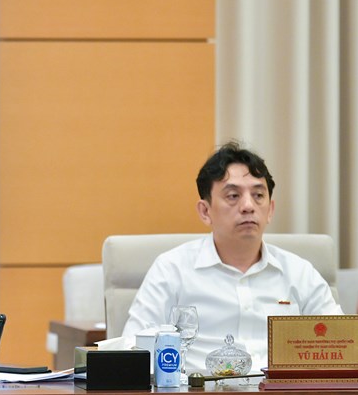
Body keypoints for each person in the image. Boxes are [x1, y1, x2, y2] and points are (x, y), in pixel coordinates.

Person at [122, 141, 342, 371]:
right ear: (205, 211)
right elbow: (135, 348)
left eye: (258, 195)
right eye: (233, 196)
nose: (248, 206)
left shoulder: (300, 273)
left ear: (271, 210)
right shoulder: (172, 269)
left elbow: (342, 347)